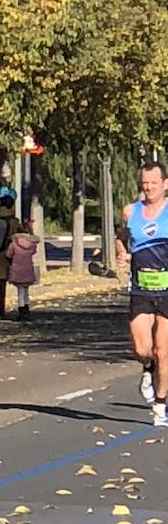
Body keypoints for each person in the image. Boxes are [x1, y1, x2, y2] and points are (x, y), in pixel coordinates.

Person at [116, 160, 168, 424]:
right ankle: (147, 368)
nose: (148, 188)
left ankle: (160, 405)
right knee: (142, 348)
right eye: (144, 184)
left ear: (165, 185)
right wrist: (122, 253)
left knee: (163, 350)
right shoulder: (130, 212)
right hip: (140, 289)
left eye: (154, 184)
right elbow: (121, 238)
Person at [6, 222, 38, 321]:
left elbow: (8, 255)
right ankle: (27, 309)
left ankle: (21, 311)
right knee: (26, 290)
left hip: (17, 269)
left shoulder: (13, 244)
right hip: (28, 269)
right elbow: (33, 252)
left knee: (20, 291)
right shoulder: (32, 244)